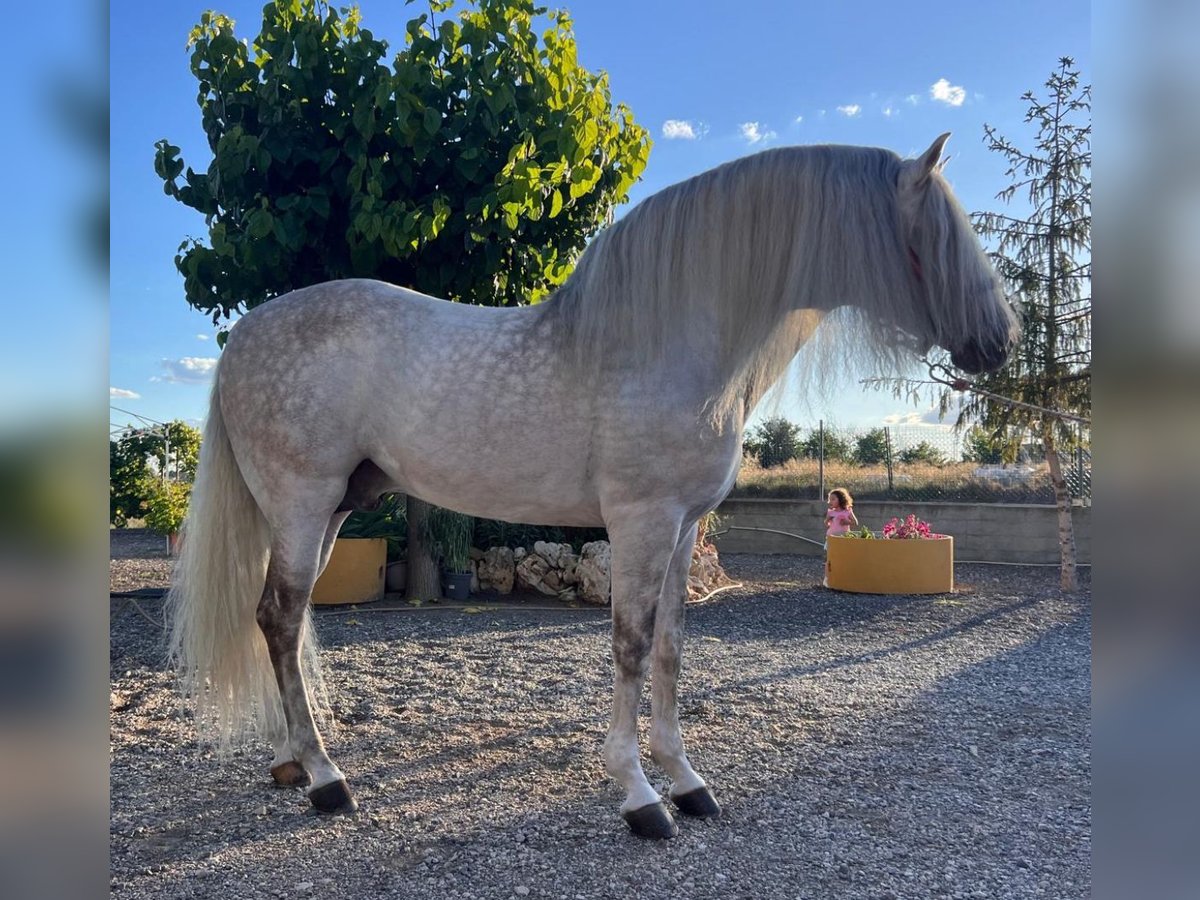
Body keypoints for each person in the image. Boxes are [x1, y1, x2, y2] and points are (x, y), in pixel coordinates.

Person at [823, 488, 858, 587]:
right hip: (831, 538)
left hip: (844, 538)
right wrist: (828, 519)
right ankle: (827, 578)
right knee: (829, 558)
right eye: (830, 499)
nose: (830, 501)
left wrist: (847, 522)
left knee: (845, 558)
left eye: (833, 499)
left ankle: (844, 578)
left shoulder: (848, 511)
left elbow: (855, 522)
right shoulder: (830, 512)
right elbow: (826, 523)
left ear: (841, 499)